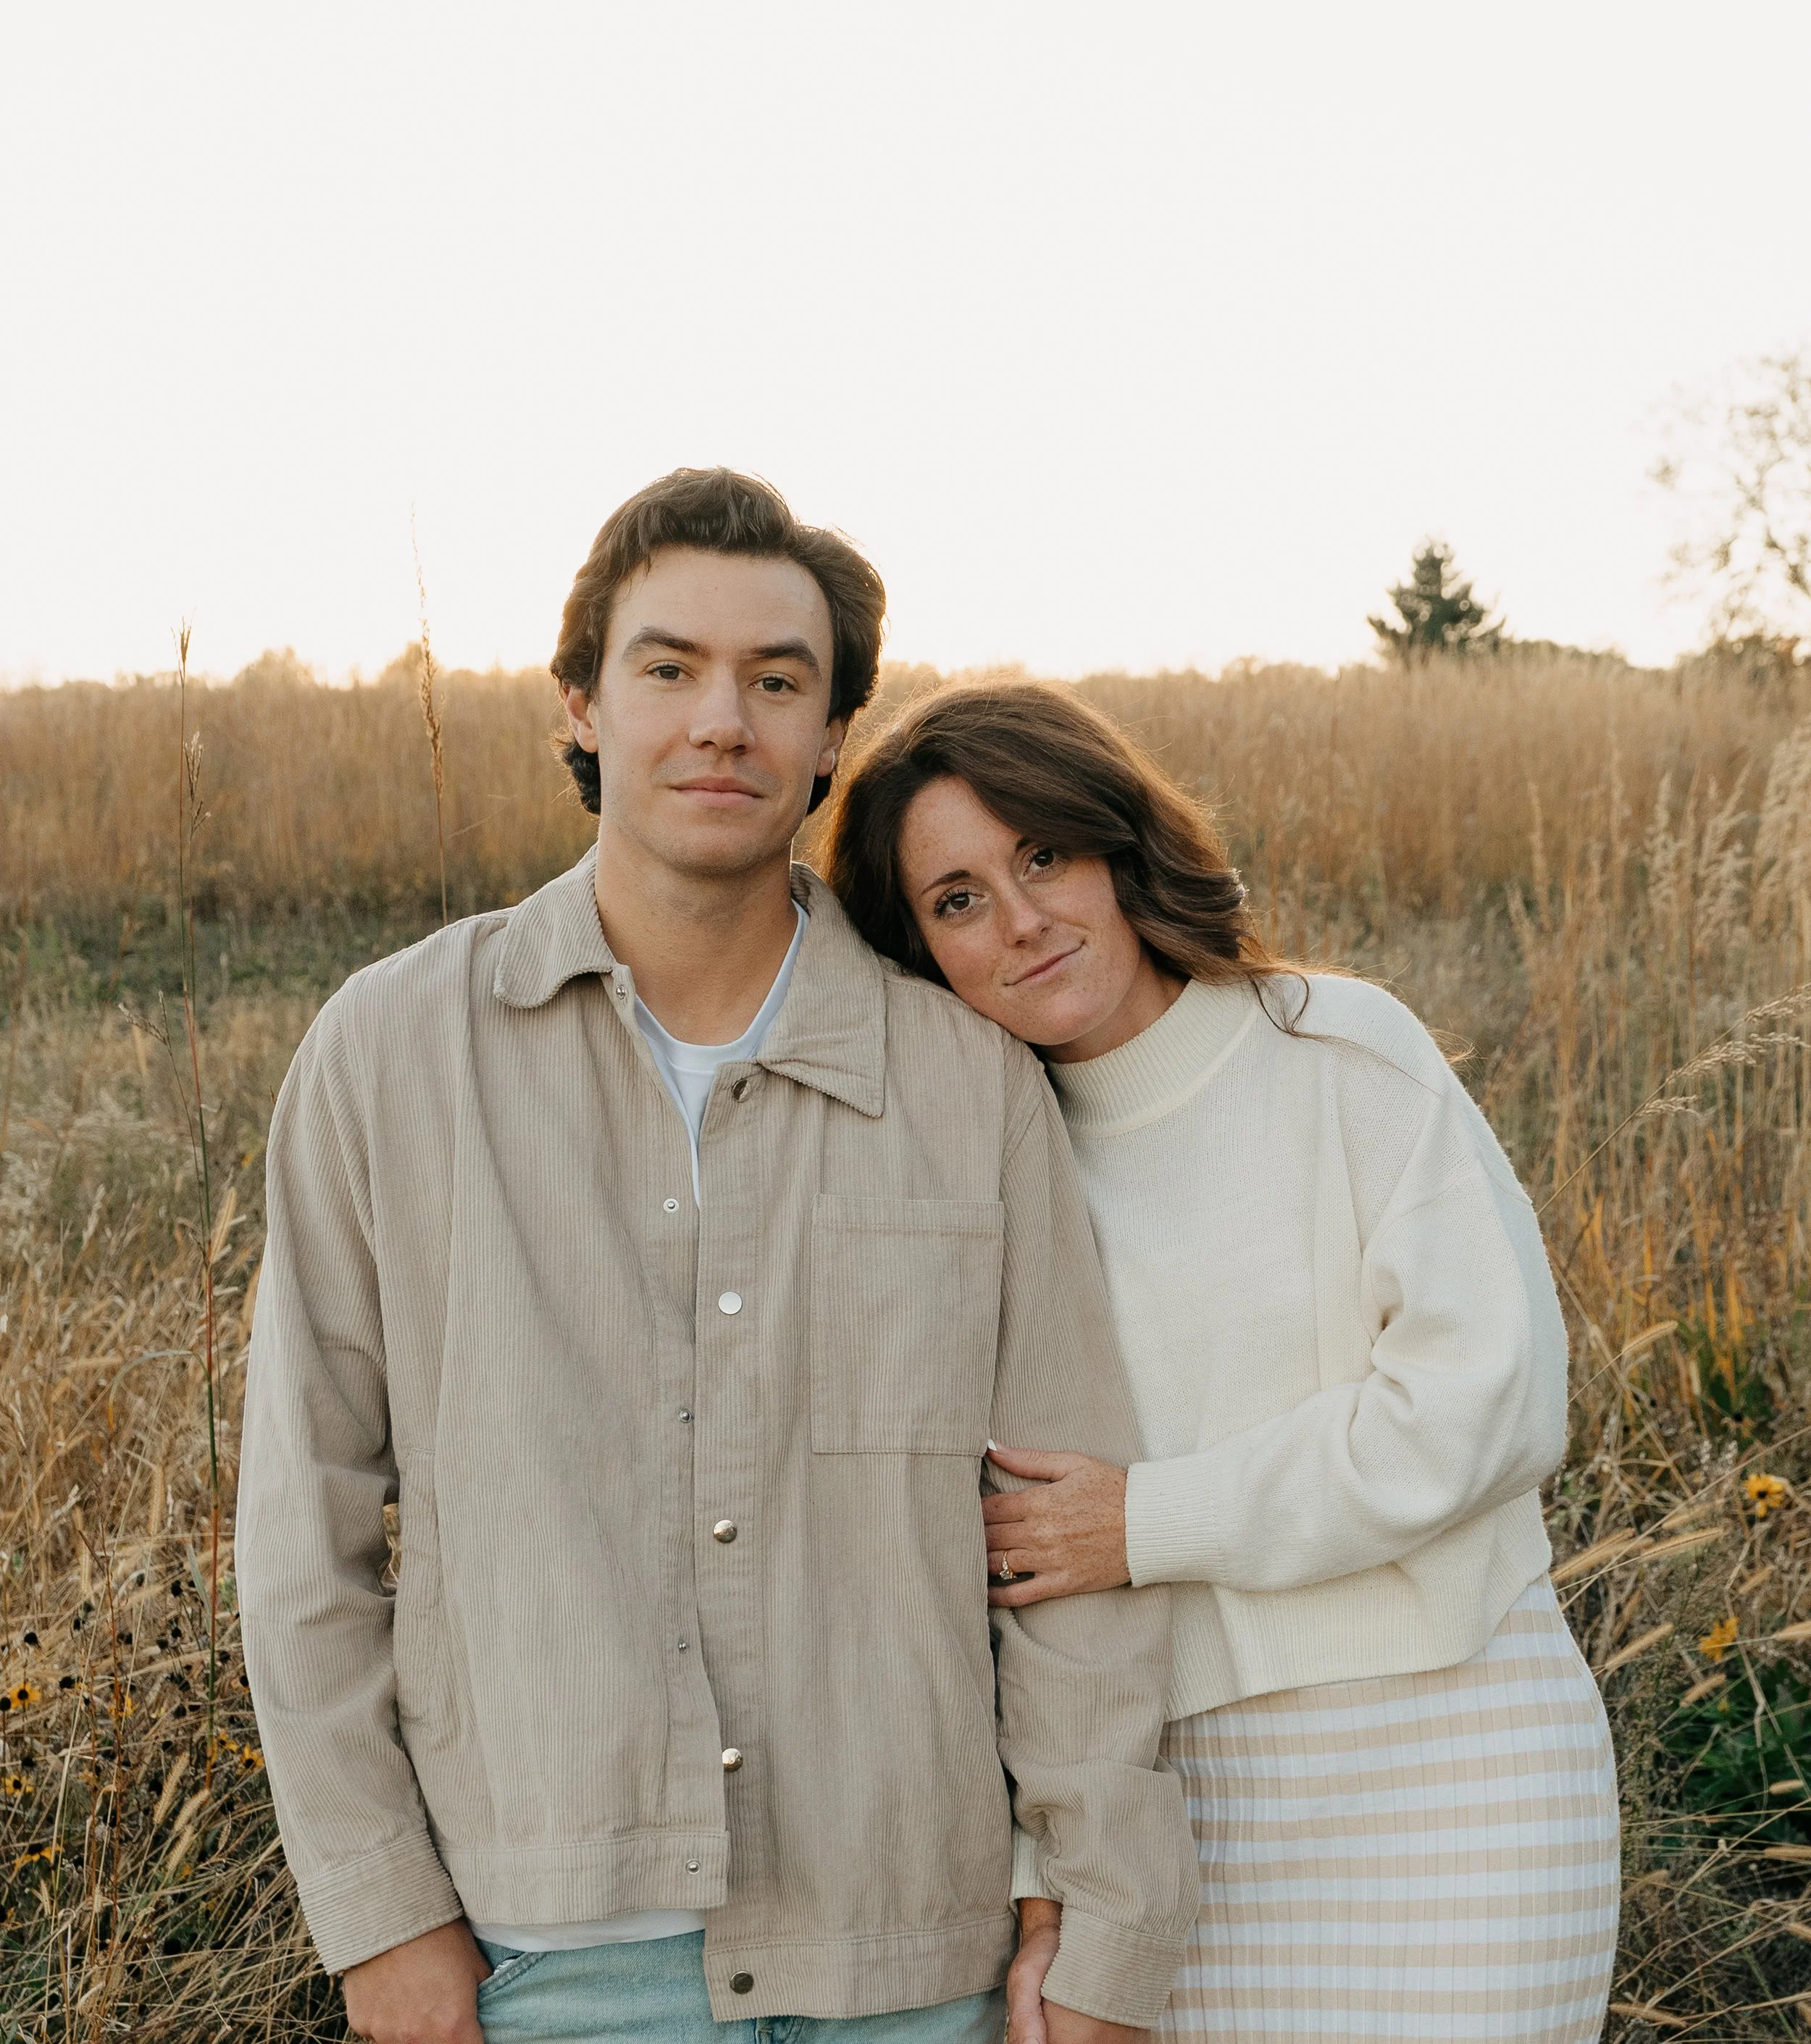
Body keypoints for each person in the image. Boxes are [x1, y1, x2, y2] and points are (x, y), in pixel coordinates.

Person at [237, 472, 1196, 2044]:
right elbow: (303, 1535)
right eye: (668, 668)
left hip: (907, 1955)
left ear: (832, 736)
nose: (721, 721)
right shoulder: (390, 1055)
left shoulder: (965, 1081)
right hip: (544, 1961)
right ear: (581, 704)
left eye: (776, 680)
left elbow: (1064, 1540)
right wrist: (383, 1922)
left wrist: (1102, 1923)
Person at [822, 680, 1620, 2044]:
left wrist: (1148, 1520)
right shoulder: (974, 1179)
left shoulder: (1336, 1047)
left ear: (1119, 847)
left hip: (1448, 1750)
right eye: (956, 899)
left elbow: (1484, 1405)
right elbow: (999, 1568)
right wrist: (1045, 1887)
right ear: (919, 953)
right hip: (1168, 1820)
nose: (1019, 920)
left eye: (1042, 855)